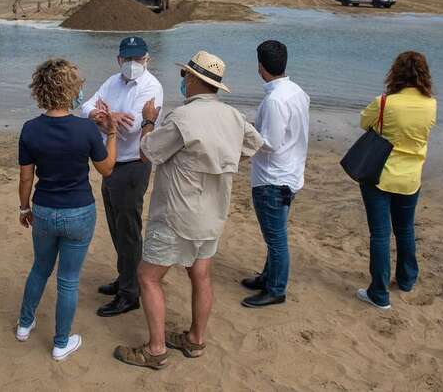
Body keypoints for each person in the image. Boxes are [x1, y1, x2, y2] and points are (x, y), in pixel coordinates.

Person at [114, 51, 263, 369]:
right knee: (201, 275)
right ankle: (195, 339)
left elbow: (148, 151)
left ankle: (155, 350)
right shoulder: (233, 117)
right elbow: (252, 146)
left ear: (194, 80)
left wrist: (150, 120)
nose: (183, 81)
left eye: (185, 76)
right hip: (213, 212)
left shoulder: (182, 118)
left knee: (148, 277)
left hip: (176, 213)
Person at [16, 58, 118, 361]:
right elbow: (107, 169)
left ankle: (24, 324)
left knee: (40, 268)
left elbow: (26, 176)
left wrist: (24, 208)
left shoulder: (30, 129)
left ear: (41, 90)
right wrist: (111, 134)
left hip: (44, 208)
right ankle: (61, 342)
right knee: (68, 279)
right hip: (78, 210)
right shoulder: (85, 129)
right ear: (71, 90)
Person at [80, 36, 163, 317]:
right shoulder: (112, 81)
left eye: (137, 59)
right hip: (112, 162)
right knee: (116, 226)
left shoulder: (151, 87)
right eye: (127, 59)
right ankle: (125, 277)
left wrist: (105, 117)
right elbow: (86, 107)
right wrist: (105, 115)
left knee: (128, 230)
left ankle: (130, 293)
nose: (132, 64)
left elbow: (132, 127)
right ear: (119, 59)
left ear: (147, 59)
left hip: (132, 165)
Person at [356, 51, 436, 310]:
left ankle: (379, 294)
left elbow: (363, 123)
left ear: (395, 73)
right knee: (405, 229)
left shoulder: (384, 102)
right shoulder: (431, 103)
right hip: (411, 176)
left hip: (380, 175)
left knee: (380, 234)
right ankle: (406, 279)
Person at [241, 40, 310, 308]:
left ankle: (276, 288)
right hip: (289, 171)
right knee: (275, 232)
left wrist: (246, 130)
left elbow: (269, 143)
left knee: (276, 236)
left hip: (273, 176)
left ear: (260, 67)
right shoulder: (297, 92)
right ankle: (269, 276)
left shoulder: (275, 100)